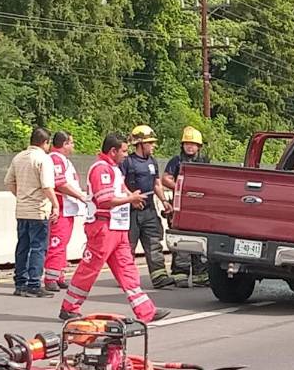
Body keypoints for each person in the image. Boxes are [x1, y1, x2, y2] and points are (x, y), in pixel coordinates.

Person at [59, 132, 170, 322]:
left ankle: (146, 311)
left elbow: (119, 189)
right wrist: (131, 198)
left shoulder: (114, 168)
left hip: (117, 228)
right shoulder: (101, 169)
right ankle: (69, 307)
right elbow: (104, 200)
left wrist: (131, 197)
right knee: (89, 269)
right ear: (112, 151)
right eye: (124, 151)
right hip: (103, 228)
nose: (126, 155)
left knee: (128, 270)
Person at [4, 127, 59, 298]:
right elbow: (47, 187)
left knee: (22, 246)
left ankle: (20, 283)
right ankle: (34, 284)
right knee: (38, 247)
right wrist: (55, 205)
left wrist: (21, 195)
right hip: (38, 210)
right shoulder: (44, 159)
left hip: (22, 210)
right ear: (45, 142)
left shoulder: (18, 157)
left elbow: (8, 182)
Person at [121, 125, 175, 289]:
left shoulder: (152, 161)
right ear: (140, 144)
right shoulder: (127, 162)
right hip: (132, 211)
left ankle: (159, 278)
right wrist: (131, 198)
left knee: (154, 243)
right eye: (150, 143)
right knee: (128, 246)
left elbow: (157, 184)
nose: (153, 146)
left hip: (150, 209)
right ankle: (127, 280)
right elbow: (119, 183)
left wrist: (164, 201)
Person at [162, 126, 210, 287]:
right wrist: (181, 189)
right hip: (180, 207)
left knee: (199, 240)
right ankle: (180, 275)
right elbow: (166, 179)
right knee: (181, 240)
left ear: (199, 146)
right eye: (187, 143)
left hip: (199, 208)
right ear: (182, 145)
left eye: (193, 144)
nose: (189, 146)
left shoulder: (204, 162)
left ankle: (200, 276)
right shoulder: (176, 161)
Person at [43, 131, 87, 292]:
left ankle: (58, 274)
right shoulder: (55, 159)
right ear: (65, 144)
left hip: (67, 209)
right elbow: (60, 184)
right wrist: (80, 196)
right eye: (72, 143)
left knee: (63, 243)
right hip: (60, 207)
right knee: (57, 242)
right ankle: (50, 277)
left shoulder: (63, 160)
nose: (73, 146)